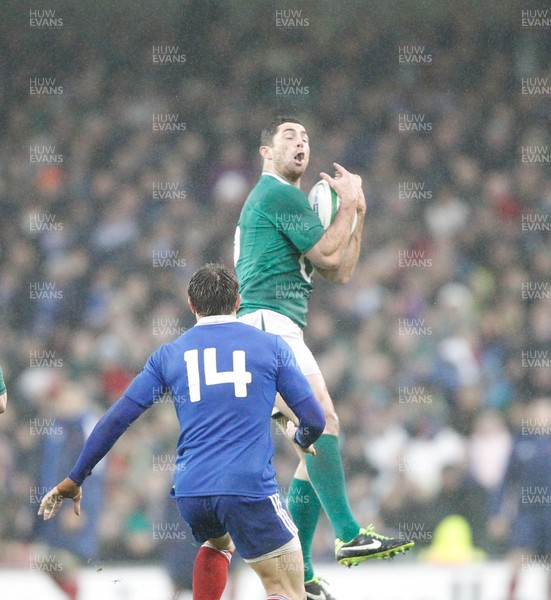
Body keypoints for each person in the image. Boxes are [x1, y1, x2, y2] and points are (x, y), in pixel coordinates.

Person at [39, 263, 326, 600]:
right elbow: (315, 420)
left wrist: (75, 478)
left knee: (218, 541)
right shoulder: (271, 346)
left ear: (191, 304)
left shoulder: (169, 355)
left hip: (192, 491)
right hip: (247, 485)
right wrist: (300, 437)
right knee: (286, 586)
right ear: (238, 301)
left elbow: (116, 419)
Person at [234, 116, 414, 599]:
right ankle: (350, 534)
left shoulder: (288, 200)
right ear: (266, 153)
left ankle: (305, 574)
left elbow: (339, 270)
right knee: (324, 421)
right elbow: (330, 253)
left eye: (306, 137)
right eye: (288, 136)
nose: (300, 143)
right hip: (266, 325)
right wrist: (349, 206)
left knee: (309, 444)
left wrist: (359, 214)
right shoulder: (276, 193)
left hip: (276, 328)